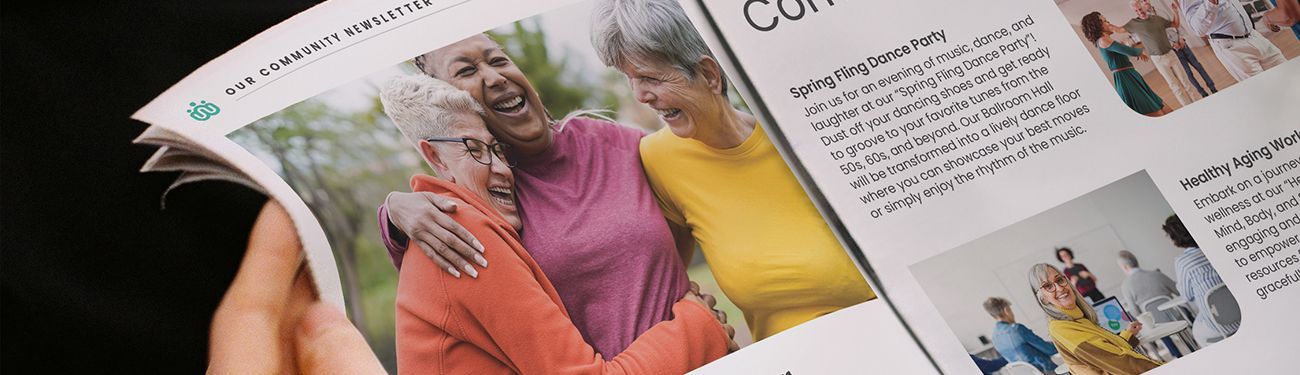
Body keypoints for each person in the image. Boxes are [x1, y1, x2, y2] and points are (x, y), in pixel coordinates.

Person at [380, 74, 734, 373]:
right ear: (434, 156)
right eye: (474, 149)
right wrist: (699, 322)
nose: (501, 168)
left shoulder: (454, 224)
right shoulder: (463, 233)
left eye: (498, 150)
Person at [590, 0, 875, 341]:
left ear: (709, 74)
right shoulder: (657, 159)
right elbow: (666, 282)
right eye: (630, 80)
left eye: (650, 78)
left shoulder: (805, 131)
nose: (640, 96)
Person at [1029, 263, 1162, 375]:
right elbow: (1120, 361)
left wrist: (1127, 334)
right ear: (1042, 298)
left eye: (1059, 280)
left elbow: (1107, 354)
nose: (1059, 288)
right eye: (1048, 286)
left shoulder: (1077, 318)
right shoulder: (1061, 327)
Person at [1163, 214, 1238, 346]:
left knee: (1197, 332)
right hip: (1241, 315)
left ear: (1176, 238)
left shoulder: (1183, 262)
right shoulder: (1216, 249)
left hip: (1218, 326)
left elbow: (1187, 296)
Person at [1081, 12, 1172, 116]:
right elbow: (1130, 51)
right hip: (1126, 79)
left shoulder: (1105, 40)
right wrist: (1140, 51)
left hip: (1130, 75)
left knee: (1162, 108)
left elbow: (1126, 50)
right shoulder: (1102, 40)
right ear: (1098, 25)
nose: (1109, 23)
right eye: (1105, 21)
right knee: (1156, 112)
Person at [1180, 0, 1288, 81]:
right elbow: (1198, 29)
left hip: (1254, 35)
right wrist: (1211, 2)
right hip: (1232, 47)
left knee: (1287, 75)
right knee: (1265, 91)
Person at [1124, 0, 1199, 106]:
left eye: (1140, 9)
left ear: (1144, 6)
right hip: (1158, 59)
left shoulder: (1156, 19)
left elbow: (1175, 24)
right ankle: (1187, 107)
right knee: (1174, 86)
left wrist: (1175, 12)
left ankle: (1197, 103)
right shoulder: (1134, 24)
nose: (1139, 12)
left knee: (1185, 82)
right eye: (1136, 11)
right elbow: (1118, 29)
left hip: (1171, 54)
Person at [1116, 250, 1185, 358]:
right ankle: (1191, 341)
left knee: (1150, 322)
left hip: (1154, 324)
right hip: (1175, 316)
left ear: (1125, 267)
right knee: (1185, 312)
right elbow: (1179, 291)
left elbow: (1135, 311)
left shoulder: (1126, 285)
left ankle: (1176, 354)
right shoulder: (1157, 274)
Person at [983, 297, 1058, 372]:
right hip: (1045, 371)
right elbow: (1050, 350)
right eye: (1010, 310)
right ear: (1006, 310)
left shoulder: (994, 338)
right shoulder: (1017, 329)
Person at [1168, 32, 1218, 98]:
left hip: (1184, 45)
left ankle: (1212, 87)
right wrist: (1172, 45)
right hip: (1175, 51)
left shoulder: (1168, 21)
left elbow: (1179, 28)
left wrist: (1181, 38)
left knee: (1198, 66)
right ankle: (1202, 93)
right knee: (1188, 72)